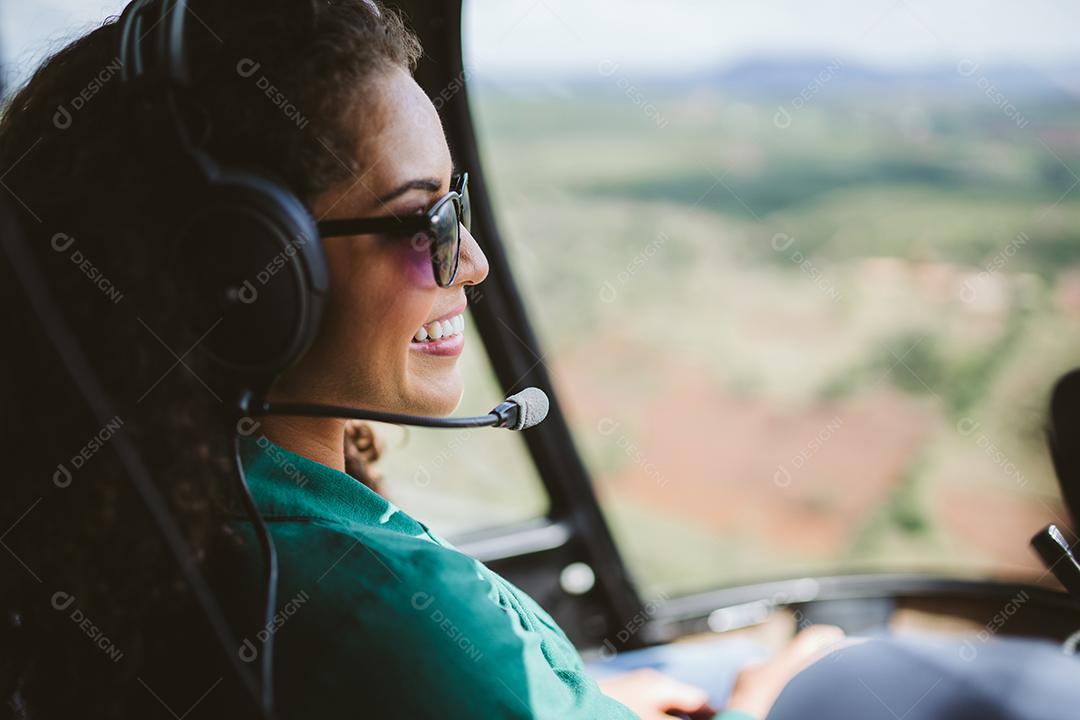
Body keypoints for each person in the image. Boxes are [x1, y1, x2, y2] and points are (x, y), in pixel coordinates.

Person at [0, 1, 838, 717]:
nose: (472, 263)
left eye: (456, 203)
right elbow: (404, 656)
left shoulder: (150, 513)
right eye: (420, 220)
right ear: (247, 272)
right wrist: (764, 700)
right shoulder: (370, 602)